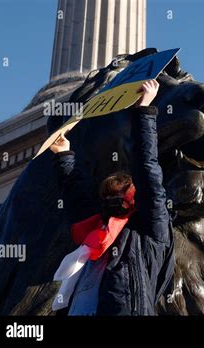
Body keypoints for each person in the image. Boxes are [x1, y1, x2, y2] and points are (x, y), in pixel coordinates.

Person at [50, 80, 174, 315]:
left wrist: (144, 111)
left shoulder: (149, 230)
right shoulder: (95, 233)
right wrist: (64, 153)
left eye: (119, 193)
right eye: (107, 195)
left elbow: (148, 170)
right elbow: (76, 196)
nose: (111, 200)